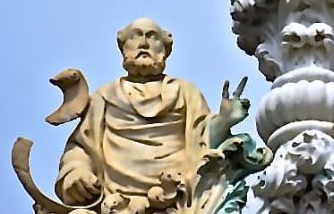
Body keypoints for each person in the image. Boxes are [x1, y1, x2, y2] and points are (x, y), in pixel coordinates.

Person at [55, 18, 253, 211]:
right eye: (135, 37)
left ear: (165, 48)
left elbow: (201, 138)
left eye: (151, 37)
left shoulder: (185, 91)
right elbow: (81, 147)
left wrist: (224, 120)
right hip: (117, 203)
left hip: (178, 197)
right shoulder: (105, 96)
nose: (143, 43)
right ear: (123, 47)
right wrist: (76, 172)